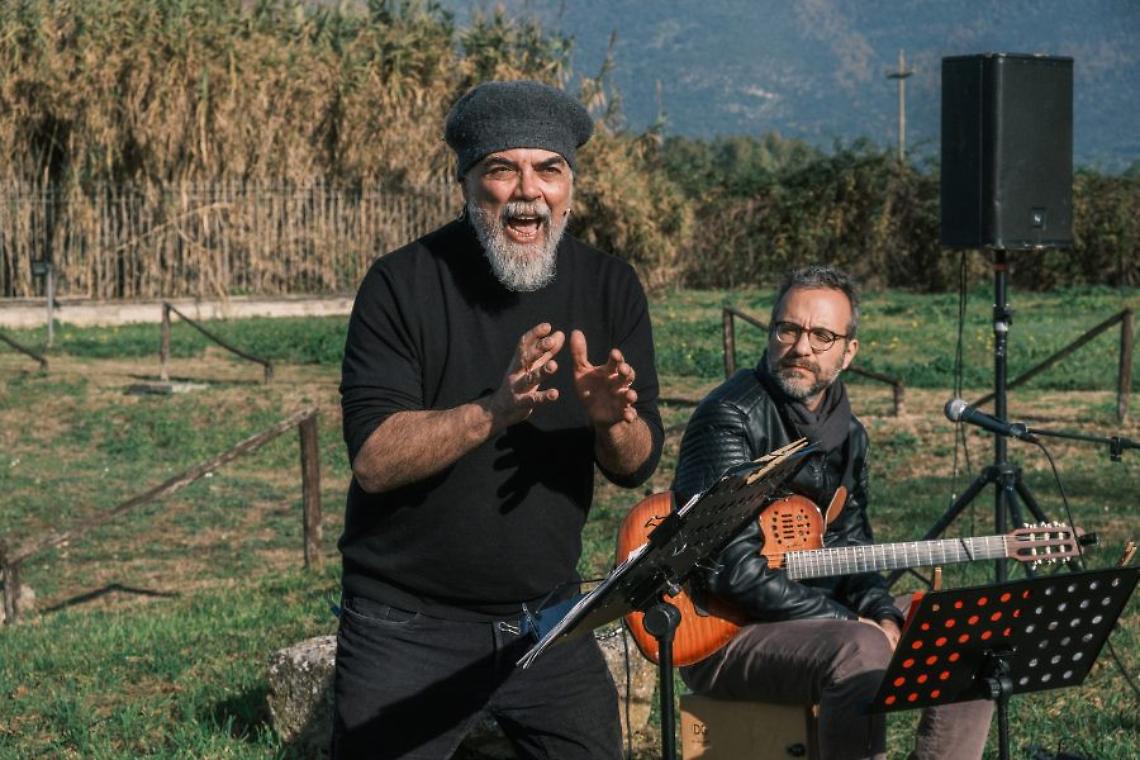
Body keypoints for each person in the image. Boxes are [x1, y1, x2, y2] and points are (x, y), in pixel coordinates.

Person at [332, 80, 664, 759]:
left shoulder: (609, 286)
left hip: (548, 622)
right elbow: (373, 459)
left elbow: (636, 465)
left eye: (548, 168)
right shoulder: (403, 283)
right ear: (468, 183)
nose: (527, 189)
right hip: (408, 623)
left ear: (569, 187)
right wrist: (494, 411)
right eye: (501, 168)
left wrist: (611, 422)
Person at [671, 266, 993, 760]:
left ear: (848, 352)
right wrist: (850, 621)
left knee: (961, 628)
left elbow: (852, 547)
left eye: (822, 335)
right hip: (722, 633)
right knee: (859, 649)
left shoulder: (849, 433)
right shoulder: (730, 416)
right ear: (772, 332)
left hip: (816, 618)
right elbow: (731, 573)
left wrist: (882, 611)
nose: (801, 347)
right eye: (789, 329)